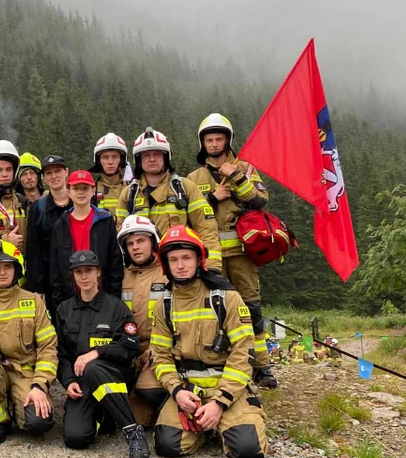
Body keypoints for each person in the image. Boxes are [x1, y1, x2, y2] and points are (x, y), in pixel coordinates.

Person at [149, 226, 267, 458]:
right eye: (173, 259)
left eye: (186, 257)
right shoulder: (165, 304)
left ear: (199, 259)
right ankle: (204, 430)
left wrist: (220, 403)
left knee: (246, 449)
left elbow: (244, 353)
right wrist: (177, 391)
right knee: (166, 444)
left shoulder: (226, 298)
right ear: (166, 265)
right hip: (188, 390)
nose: (180, 265)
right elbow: (160, 356)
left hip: (227, 390)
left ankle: (223, 420)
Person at [188, 113, 277, 389]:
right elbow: (187, 213)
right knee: (214, 310)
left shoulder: (246, 168)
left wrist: (236, 177)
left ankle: (261, 365)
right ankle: (221, 362)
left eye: (219, 138)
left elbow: (260, 201)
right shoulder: (194, 177)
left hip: (242, 254)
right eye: (209, 139)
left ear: (228, 140)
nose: (214, 144)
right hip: (210, 255)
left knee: (251, 307)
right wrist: (213, 197)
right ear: (203, 144)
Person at [54, 250, 151, 458]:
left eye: (88, 270)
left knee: (94, 367)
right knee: (76, 438)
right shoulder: (64, 310)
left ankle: (133, 434)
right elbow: (61, 353)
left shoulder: (116, 307)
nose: (84, 276)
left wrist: (97, 352)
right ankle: (104, 414)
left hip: (115, 376)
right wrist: (69, 381)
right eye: (78, 272)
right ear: (73, 276)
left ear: (98, 272)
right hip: (84, 384)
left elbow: (130, 345)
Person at [0, 241, 58, 444]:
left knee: (39, 424)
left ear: (17, 269)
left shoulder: (33, 301)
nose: (2, 272)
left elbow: (48, 348)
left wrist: (40, 385)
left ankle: (18, 406)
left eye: (8, 266)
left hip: (26, 373)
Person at [115, 127, 223, 273]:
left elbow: (206, 229)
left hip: (178, 270)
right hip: (140, 273)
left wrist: (212, 267)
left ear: (166, 157)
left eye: (157, 154)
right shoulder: (128, 194)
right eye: (146, 155)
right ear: (138, 160)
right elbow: (119, 238)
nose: (152, 159)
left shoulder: (185, 188)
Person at [117, 215, 170, 426]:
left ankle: (170, 407)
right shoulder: (120, 277)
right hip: (131, 354)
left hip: (159, 352)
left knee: (150, 388)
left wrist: (156, 350)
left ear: (154, 242)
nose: (135, 247)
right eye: (130, 243)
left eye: (141, 241)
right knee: (134, 418)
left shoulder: (168, 274)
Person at [49, 169, 122, 307]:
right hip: (70, 299)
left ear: (93, 191)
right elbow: (55, 268)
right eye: (76, 188)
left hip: (102, 297)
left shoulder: (105, 221)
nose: (81, 192)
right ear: (68, 191)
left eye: (85, 188)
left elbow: (115, 263)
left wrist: (114, 300)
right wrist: (58, 304)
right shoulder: (60, 225)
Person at [24, 154, 70, 308]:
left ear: (66, 172)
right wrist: (36, 288)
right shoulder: (38, 208)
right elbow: (33, 250)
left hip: (79, 277)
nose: (54, 176)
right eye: (49, 173)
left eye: (57, 171)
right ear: (43, 178)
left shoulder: (79, 201)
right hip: (50, 282)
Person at [90, 132, 129, 213]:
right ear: (98, 161)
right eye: (105, 157)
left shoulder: (132, 190)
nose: (110, 162)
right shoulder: (91, 190)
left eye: (114, 157)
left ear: (121, 160)